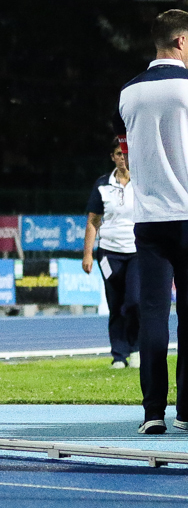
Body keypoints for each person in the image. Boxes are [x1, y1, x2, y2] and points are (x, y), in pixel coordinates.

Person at [118, 9, 188, 435]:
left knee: (154, 315)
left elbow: (127, 145)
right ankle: (187, 411)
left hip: (148, 220)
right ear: (181, 41)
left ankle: (152, 413)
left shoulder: (128, 92)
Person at [83, 136, 139, 370]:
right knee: (115, 304)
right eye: (118, 154)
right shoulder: (102, 185)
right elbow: (93, 221)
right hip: (109, 253)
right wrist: (87, 253)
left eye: (126, 153)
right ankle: (119, 355)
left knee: (134, 302)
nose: (123, 158)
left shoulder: (142, 182)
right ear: (112, 157)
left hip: (137, 252)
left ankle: (136, 348)